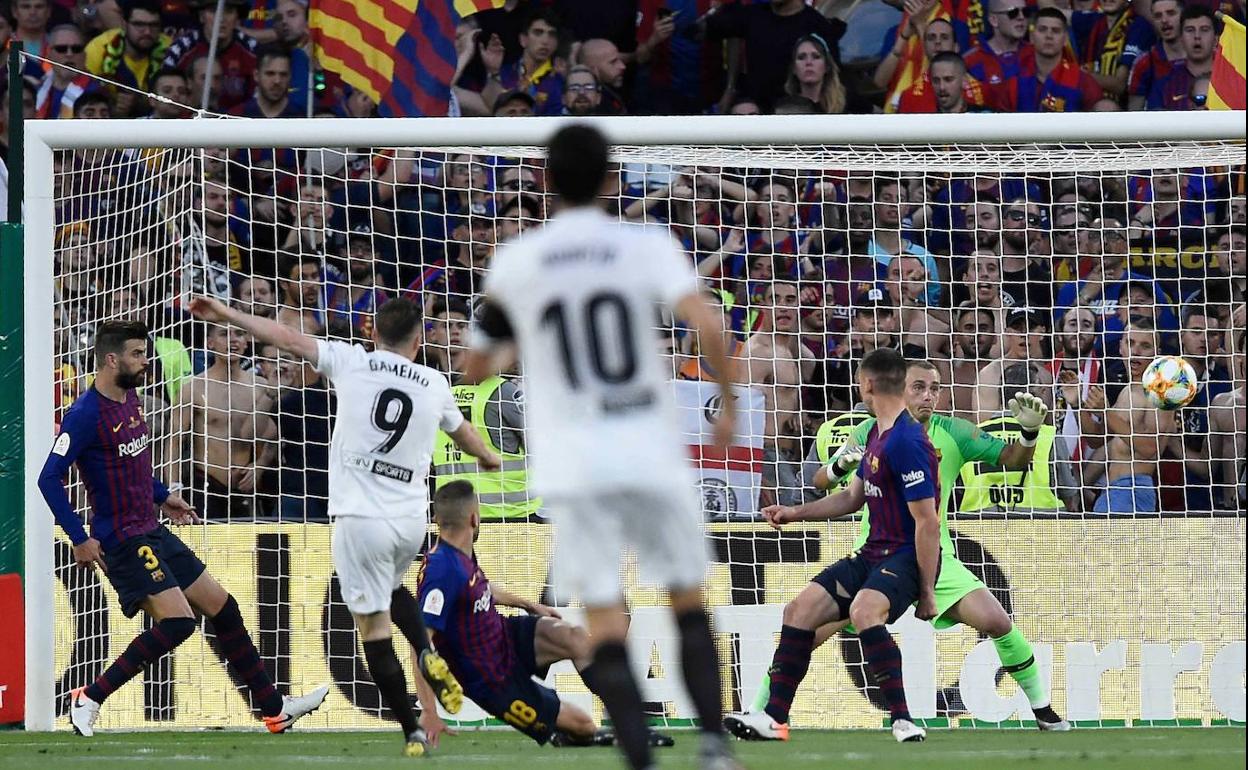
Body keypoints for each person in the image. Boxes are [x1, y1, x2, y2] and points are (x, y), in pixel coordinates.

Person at [462, 124, 742, 770]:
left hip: (576, 462)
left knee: (606, 618)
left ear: (548, 181)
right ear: (613, 179)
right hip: (646, 443)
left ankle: (641, 759)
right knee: (685, 598)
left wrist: (524, 342)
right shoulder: (646, 243)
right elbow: (706, 320)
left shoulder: (519, 260)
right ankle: (714, 748)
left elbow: (475, 366)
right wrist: (726, 405)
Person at [188, 295, 503, 756]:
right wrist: (489, 457)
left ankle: (412, 730)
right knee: (393, 587)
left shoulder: (353, 361)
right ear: (419, 341)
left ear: (373, 332)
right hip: (412, 521)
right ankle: (427, 652)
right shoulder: (434, 381)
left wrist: (229, 314)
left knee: (372, 628)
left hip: (360, 519)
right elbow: (462, 432)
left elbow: (286, 338)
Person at [730, 358, 1070, 734]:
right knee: (808, 629)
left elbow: (1012, 460)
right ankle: (761, 711)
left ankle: (1043, 710)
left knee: (997, 622)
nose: (928, 396)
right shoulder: (869, 431)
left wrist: (1028, 433)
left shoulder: (953, 432)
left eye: (935, 388)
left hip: (930, 555)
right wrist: (841, 463)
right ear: (897, 389)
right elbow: (823, 481)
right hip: (875, 553)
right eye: (919, 387)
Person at [37, 320, 328, 736]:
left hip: (151, 527)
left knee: (224, 608)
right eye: (137, 354)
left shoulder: (131, 397)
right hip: (122, 538)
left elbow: (130, 467)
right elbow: (48, 478)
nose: (145, 361)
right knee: (178, 623)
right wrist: (79, 537)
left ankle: (275, 708)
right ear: (111, 359)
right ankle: (92, 696)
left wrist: (162, 495)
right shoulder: (84, 415)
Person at [726, 348, 940, 744]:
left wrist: (927, 591)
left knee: (863, 611)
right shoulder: (877, 432)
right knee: (800, 609)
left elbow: (928, 521)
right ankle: (774, 718)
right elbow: (850, 498)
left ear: (868, 384)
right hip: (873, 552)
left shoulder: (907, 441)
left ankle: (903, 719)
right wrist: (795, 512)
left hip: (906, 556)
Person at [418, 480, 672, 748]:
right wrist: (429, 711)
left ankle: (629, 725)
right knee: (584, 726)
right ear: (474, 517)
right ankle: (567, 730)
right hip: (492, 679)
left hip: (504, 636)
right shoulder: (441, 570)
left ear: (437, 520)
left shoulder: (459, 551)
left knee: (575, 637)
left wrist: (529, 605)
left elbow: (479, 587)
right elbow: (418, 640)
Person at [171, 323, 274, 520]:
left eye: (239, 333)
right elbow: (174, 443)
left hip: (245, 490)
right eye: (224, 334)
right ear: (210, 343)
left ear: (246, 343)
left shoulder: (261, 387)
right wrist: (174, 490)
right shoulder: (193, 388)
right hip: (205, 487)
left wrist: (260, 465)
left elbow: (275, 437)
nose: (233, 339)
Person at [1093, 319, 1177, 513]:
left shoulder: (1161, 392)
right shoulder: (1126, 392)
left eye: (1145, 346)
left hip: (1133, 492)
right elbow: (1096, 439)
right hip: (1112, 490)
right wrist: (1076, 403)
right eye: (1130, 343)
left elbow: (1150, 448)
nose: (1136, 351)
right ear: (1120, 347)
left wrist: (1106, 411)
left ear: (1157, 353)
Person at [84, 0, 171, 117]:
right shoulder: (99, 48)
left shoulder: (169, 49)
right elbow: (82, 96)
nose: (147, 32)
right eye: (139, 24)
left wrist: (140, 103)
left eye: (154, 25)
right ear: (124, 24)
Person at [1148, 6, 1218, 110]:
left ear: (1216, 40)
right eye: (1190, 30)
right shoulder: (1164, 85)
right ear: (1181, 39)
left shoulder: (1230, 81)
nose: (1197, 36)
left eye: (1204, 30)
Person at [1126, 0, 1184, 110]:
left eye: (1171, 13)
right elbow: (1134, 114)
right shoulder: (1143, 64)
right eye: (1158, 16)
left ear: (1184, 16)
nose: (1164, 20)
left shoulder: (1204, 58)